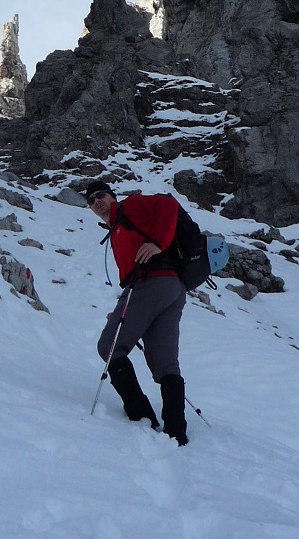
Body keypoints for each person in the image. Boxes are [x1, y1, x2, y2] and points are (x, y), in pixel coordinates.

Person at [85, 180, 188, 446]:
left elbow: (168, 203)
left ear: (112, 196)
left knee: (109, 346)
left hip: (149, 283)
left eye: (101, 195)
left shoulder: (130, 207)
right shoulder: (116, 225)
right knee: (165, 361)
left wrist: (156, 243)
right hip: (172, 288)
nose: (97, 201)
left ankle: (140, 414)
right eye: (91, 200)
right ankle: (177, 432)